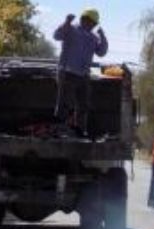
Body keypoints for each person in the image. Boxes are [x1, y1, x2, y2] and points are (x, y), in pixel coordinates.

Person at [53, 8, 108, 136]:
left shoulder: (93, 37)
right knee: (64, 103)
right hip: (67, 72)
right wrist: (66, 22)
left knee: (83, 105)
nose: (92, 25)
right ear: (83, 19)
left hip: (83, 75)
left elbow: (101, 52)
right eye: (91, 22)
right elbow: (57, 36)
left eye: (94, 24)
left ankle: (80, 130)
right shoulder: (71, 29)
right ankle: (61, 129)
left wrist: (103, 36)